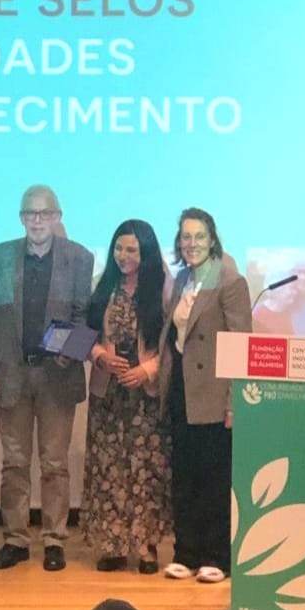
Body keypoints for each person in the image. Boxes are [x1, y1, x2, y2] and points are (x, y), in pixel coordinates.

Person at [0, 185, 94, 572]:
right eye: (30, 214)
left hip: (58, 376)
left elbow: (85, 319)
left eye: (45, 214)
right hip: (10, 374)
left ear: (58, 217)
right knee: (15, 463)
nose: (37, 221)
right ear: (21, 219)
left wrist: (68, 352)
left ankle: (54, 539)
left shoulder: (79, 258)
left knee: (54, 463)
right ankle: (16, 539)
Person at [157, 207, 252, 583]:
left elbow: (241, 345)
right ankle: (186, 552)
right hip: (182, 389)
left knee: (214, 478)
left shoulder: (230, 280)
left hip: (214, 392)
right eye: (186, 237)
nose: (191, 243)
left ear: (212, 239)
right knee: (185, 475)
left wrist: (234, 402)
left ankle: (216, 556)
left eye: (199, 236)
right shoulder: (182, 279)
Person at [80, 219, 171, 574]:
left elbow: (172, 344)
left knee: (146, 469)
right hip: (108, 394)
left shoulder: (163, 289)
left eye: (132, 249)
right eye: (119, 248)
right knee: (110, 468)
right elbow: (84, 334)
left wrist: (147, 370)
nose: (123, 256)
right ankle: (113, 544)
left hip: (145, 395)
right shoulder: (101, 286)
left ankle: (147, 546)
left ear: (146, 252)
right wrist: (99, 355)